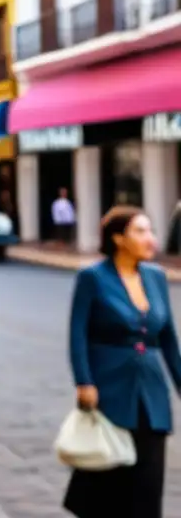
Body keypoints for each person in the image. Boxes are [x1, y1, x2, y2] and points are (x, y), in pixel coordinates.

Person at [64, 205, 181, 517]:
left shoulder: (156, 277)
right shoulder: (92, 278)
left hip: (152, 392)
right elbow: (78, 334)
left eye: (150, 230)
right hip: (110, 389)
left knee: (149, 479)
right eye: (140, 231)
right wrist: (84, 381)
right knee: (108, 475)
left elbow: (168, 338)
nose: (150, 238)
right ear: (118, 238)